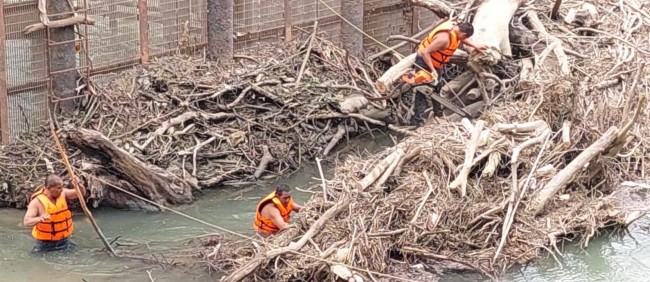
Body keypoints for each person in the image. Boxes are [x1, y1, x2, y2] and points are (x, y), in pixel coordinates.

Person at [402, 19, 488, 85]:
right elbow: (425, 52)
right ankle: (420, 108)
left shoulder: (455, 28)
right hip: (425, 61)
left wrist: (474, 46)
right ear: (464, 34)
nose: (464, 40)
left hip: (435, 63)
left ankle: (436, 107)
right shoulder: (444, 39)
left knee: (436, 86)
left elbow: (460, 39)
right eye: (465, 37)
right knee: (423, 89)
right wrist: (433, 70)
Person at [23, 174, 82, 252]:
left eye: (62, 186)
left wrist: (78, 184)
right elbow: (26, 222)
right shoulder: (37, 202)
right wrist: (39, 219)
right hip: (44, 244)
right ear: (49, 188)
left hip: (64, 240)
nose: (62, 190)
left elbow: (80, 193)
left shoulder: (63, 193)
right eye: (59, 188)